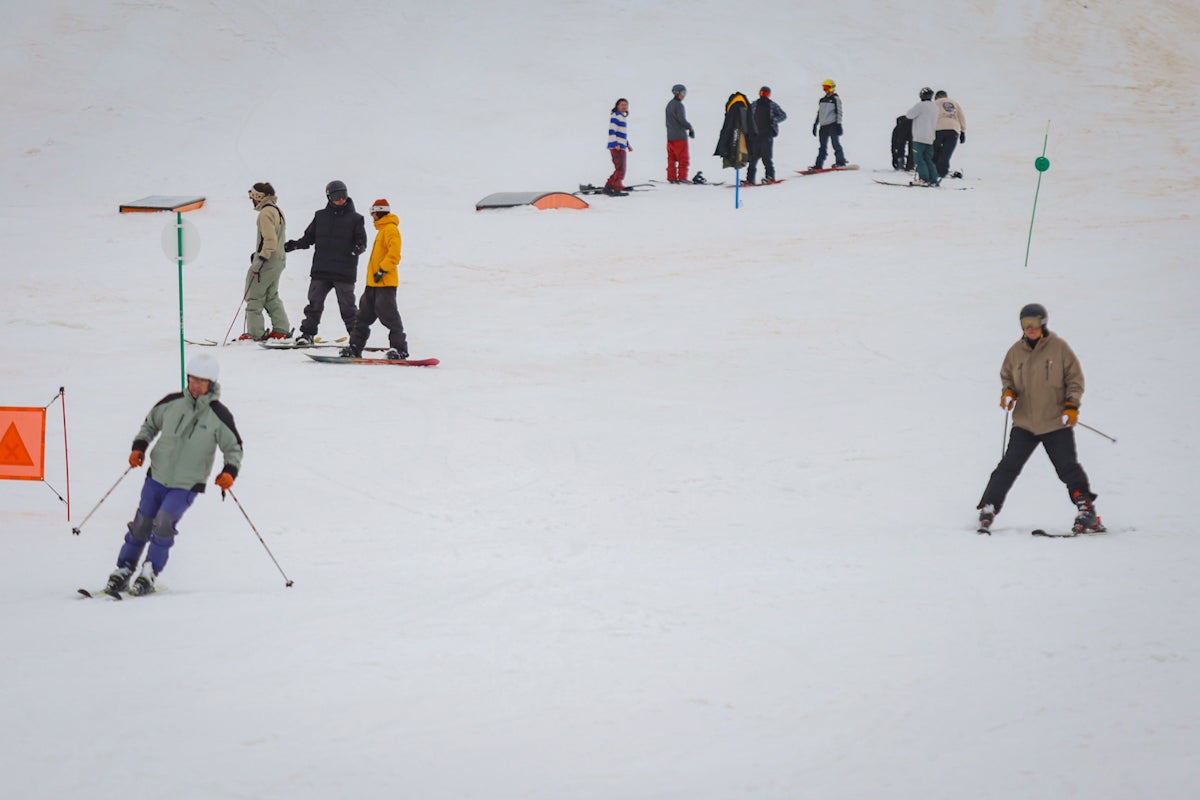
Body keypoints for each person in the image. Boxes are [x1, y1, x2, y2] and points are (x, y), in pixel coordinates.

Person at [103, 353, 243, 596]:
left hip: (187, 484)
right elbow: (150, 424)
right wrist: (140, 446)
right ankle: (124, 569)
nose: (196, 385)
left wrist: (229, 472)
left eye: (202, 381)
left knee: (164, 523)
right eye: (192, 379)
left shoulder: (219, 415)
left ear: (211, 383)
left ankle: (149, 572)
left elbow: (234, 447)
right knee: (141, 523)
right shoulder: (171, 402)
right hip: (157, 476)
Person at [976, 304, 1104, 535]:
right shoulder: (1015, 352)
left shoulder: (1059, 348)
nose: (1029, 328)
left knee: (1067, 468)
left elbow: (1075, 379)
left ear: (1043, 323)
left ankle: (1087, 511)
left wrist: (1071, 405)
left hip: (1055, 421)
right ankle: (989, 507)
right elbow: (1008, 378)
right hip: (1025, 422)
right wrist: (1008, 393)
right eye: (1025, 324)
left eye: (1033, 323)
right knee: (1008, 467)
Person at [284, 180, 367, 346]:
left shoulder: (356, 219)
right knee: (314, 305)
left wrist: (358, 248)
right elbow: (309, 238)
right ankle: (307, 335)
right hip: (321, 270)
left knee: (348, 308)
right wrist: (294, 245)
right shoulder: (320, 216)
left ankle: (356, 338)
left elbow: (362, 242)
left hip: (344, 271)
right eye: (336, 196)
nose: (341, 199)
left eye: (343, 195)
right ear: (329, 197)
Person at [341, 199, 408, 360]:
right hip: (373, 284)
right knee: (362, 318)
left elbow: (394, 255)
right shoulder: (383, 230)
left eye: (373, 213)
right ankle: (355, 347)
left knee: (390, 316)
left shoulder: (391, 229)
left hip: (385, 284)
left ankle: (399, 349)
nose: (372, 217)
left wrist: (382, 270)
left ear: (378, 213)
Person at [241, 182, 290, 340]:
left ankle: (255, 334)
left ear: (258, 197)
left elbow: (270, 240)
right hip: (279, 259)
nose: (252, 201)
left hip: (267, 261)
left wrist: (260, 259)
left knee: (253, 296)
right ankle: (281, 329)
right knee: (271, 296)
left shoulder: (265, 213)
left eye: (252, 197)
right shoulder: (277, 210)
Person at [747, 86, 788, 184]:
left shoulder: (772, 105)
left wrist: (774, 120)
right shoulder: (754, 104)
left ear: (769, 95)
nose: (764, 95)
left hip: (767, 135)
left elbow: (783, 115)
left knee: (766, 158)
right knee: (752, 159)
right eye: (762, 93)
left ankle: (770, 177)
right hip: (756, 136)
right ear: (759, 93)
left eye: (766, 94)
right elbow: (748, 115)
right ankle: (750, 179)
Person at [905, 87, 940, 186]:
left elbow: (909, 115)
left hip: (919, 137)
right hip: (930, 137)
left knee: (919, 159)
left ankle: (923, 179)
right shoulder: (935, 107)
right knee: (928, 159)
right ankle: (933, 179)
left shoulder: (920, 105)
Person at [810, 79, 847, 169]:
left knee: (835, 144)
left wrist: (839, 124)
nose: (825, 90)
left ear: (832, 88)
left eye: (827, 87)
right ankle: (818, 165)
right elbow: (819, 113)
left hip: (832, 125)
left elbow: (839, 112)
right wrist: (815, 124)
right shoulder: (822, 100)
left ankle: (841, 161)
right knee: (822, 147)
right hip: (823, 127)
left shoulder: (835, 99)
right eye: (824, 87)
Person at [714, 91, 755, 171]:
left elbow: (727, 130)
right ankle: (737, 160)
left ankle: (737, 160)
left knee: (738, 145)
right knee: (739, 146)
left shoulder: (736, 108)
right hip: (738, 137)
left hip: (737, 137)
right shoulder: (743, 108)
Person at [933, 90, 967, 180]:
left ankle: (935, 170)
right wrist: (963, 131)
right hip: (953, 130)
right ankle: (942, 171)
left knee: (935, 150)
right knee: (946, 152)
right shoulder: (954, 103)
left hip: (938, 129)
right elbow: (961, 116)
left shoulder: (935, 103)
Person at [665, 84, 695, 183]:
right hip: (680, 137)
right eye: (682, 93)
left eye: (685, 93)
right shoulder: (679, 105)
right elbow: (682, 120)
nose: (684, 95)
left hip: (670, 137)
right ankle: (682, 177)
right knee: (683, 158)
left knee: (671, 159)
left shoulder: (669, 104)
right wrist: (690, 127)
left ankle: (671, 177)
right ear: (676, 93)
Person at [604, 98, 633, 196]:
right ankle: (616, 187)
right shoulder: (616, 116)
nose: (624, 106)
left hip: (621, 146)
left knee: (620, 167)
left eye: (626, 105)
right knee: (621, 168)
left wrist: (628, 145)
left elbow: (622, 134)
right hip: (617, 147)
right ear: (617, 106)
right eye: (622, 105)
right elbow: (612, 131)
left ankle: (609, 186)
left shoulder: (621, 117)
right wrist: (615, 143)